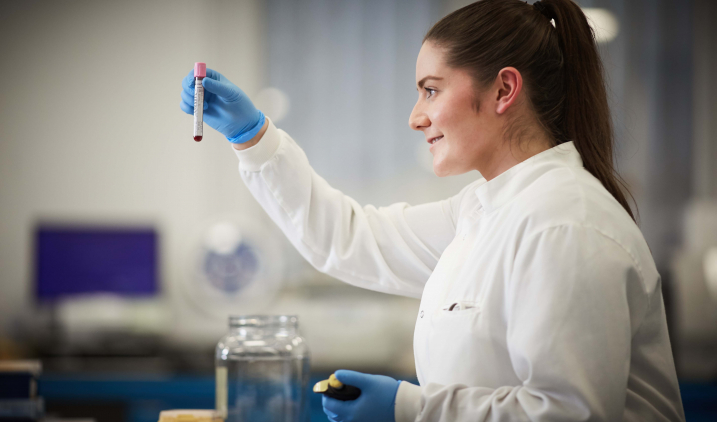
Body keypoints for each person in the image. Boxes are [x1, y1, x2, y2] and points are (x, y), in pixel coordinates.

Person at [180, 0, 686, 420]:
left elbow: (568, 413)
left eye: (431, 90)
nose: (415, 117)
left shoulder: (563, 223)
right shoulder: (485, 212)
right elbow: (349, 240)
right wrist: (254, 139)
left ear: (504, 90)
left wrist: (410, 409)